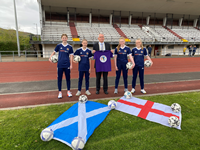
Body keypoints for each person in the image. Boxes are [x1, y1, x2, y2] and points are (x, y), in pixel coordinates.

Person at [49, 34, 73, 98]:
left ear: (67, 38)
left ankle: (68, 91)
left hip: (67, 65)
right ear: (61, 39)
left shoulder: (70, 47)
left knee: (68, 79)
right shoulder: (59, 46)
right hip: (59, 65)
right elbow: (54, 52)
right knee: (59, 79)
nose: (64, 39)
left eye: (65, 38)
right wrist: (50, 57)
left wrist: (71, 64)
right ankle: (60, 92)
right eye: (63, 38)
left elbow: (71, 56)